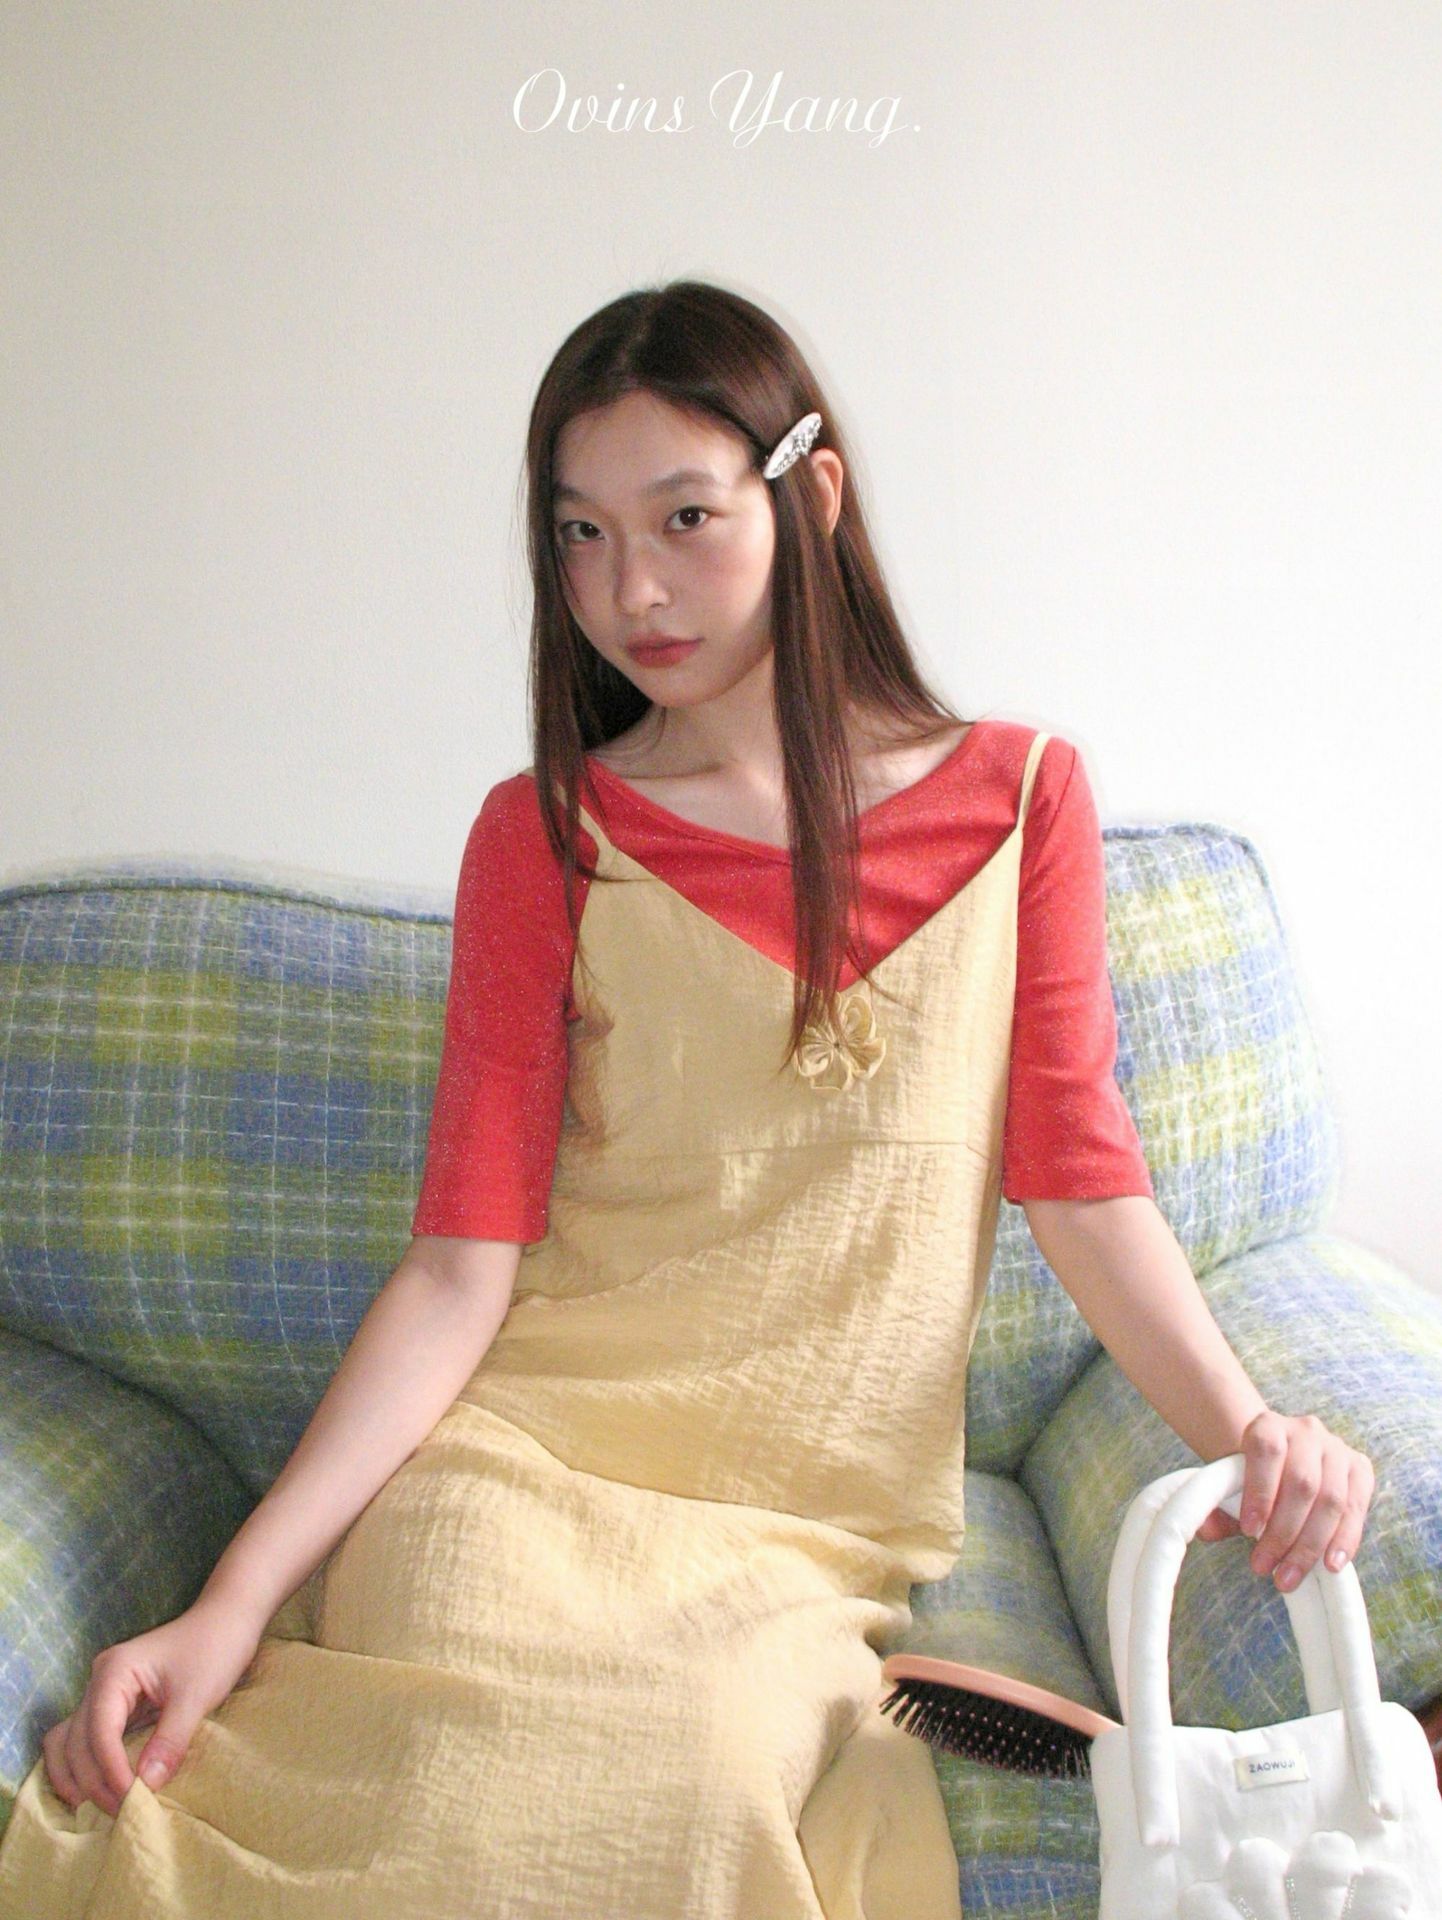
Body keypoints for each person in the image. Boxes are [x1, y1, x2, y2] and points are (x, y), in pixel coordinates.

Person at [0, 280, 1375, 1919]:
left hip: (794, 1525)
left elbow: (1081, 1186)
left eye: (683, 518)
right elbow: (456, 1269)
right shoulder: (545, 833)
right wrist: (228, 1608)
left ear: (811, 495)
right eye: (578, 534)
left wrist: (1248, 1434)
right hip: (520, 1469)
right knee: (441, 1785)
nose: (628, 590)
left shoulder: (1022, 800)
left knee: (695, 1782)